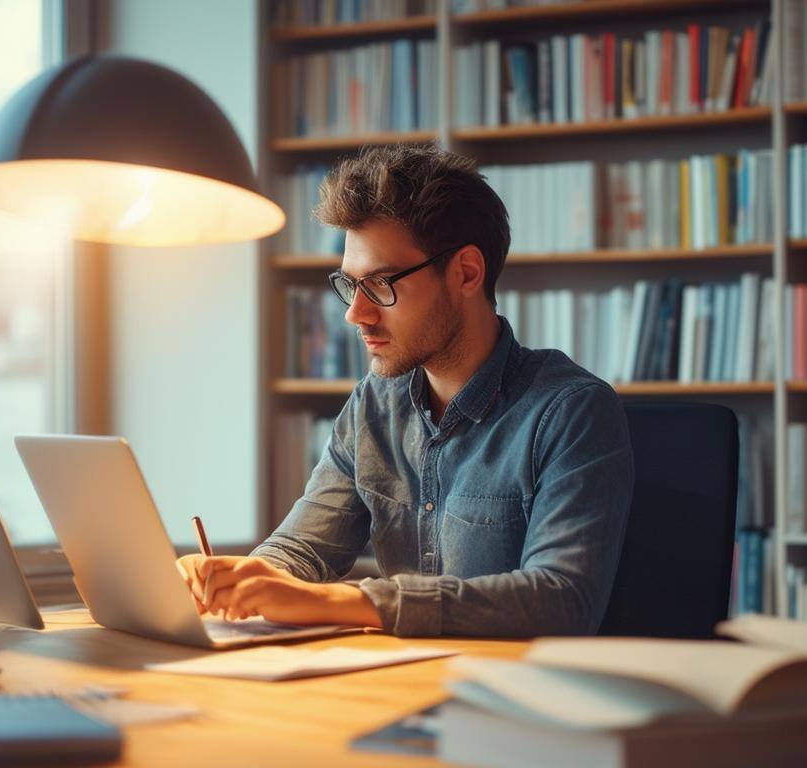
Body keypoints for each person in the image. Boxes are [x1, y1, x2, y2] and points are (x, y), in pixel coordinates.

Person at [178, 143, 634, 637]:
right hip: (400, 685)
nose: (356, 314)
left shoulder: (570, 412)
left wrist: (341, 600)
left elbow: (560, 601)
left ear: (466, 273)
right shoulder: (373, 406)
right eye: (351, 285)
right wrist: (238, 578)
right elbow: (303, 549)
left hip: (514, 701)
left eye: (381, 284)